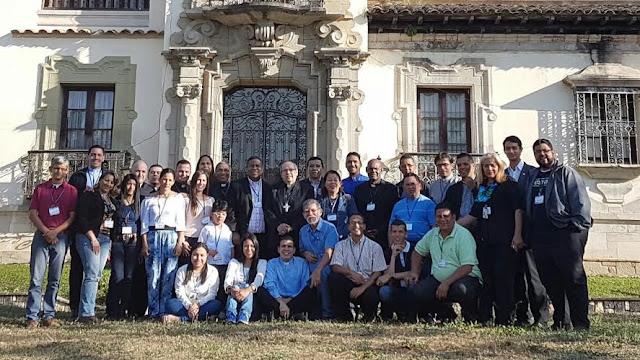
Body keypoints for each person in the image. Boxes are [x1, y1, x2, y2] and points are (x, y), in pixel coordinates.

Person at [524, 139, 592, 331]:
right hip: (540, 236)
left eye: (545, 151)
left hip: (565, 233)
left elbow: (580, 201)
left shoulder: (565, 173)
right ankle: (561, 321)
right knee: (550, 280)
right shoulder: (533, 176)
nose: (542, 155)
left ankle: (581, 323)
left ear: (553, 152)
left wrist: (577, 225)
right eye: (537, 152)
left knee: (573, 278)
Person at [458, 153, 524, 326]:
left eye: (493, 165)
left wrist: (517, 235)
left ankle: (505, 319)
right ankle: (486, 317)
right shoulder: (483, 188)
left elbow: (518, 211)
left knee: (504, 280)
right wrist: (449, 226)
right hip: (485, 241)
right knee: (487, 280)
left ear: (499, 166)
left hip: (505, 240)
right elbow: (473, 215)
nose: (489, 169)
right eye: (486, 166)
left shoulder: (509, 185)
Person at [407, 203, 483, 324]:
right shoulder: (432, 234)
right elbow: (417, 252)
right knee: (419, 291)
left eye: (446, 216)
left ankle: (470, 316)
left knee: (461, 290)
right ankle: (445, 314)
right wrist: (414, 271)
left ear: (454, 217)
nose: (442, 219)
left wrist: (446, 283)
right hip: (438, 278)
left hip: (465, 278)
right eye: (439, 216)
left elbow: (467, 267)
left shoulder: (463, 235)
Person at [25, 156, 78, 329]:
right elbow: (33, 213)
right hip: (41, 235)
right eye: (56, 168)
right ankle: (32, 316)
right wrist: (46, 231)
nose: (59, 171)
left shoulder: (71, 191)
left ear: (67, 171)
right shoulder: (40, 189)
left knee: (54, 278)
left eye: (62, 168)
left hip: (61, 237)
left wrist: (56, 231)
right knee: (36, 277)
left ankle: (49, 314)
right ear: (51, 169)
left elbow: (72, 217)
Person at [503, 135, 550, 327]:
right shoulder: (502, 173)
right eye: (507, 148)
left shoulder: (532, 172)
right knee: (515, 277)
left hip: (530, 232)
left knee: (533, 277)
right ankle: (522, 316)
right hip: (507, 233)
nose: (511, 151)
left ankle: (541, 317)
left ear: (521, 150)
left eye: (514, 148)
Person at [141, 168, 186, 319]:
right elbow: (144, 223)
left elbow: (181, 222)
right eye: (164, 179)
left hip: (171, 236)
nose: (166, 183)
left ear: (173, 182)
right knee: (153, 274)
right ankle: (153, 310)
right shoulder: (149, 199)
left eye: (170, 180)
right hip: (153, 236)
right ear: (159, 180)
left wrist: (180, 242)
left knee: (169, 274)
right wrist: (145, 243)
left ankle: (164, 310)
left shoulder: (178, 199)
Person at [75, 170, 118, 324]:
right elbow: (82, 217)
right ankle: (86, 313)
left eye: (111, 182)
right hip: (89, 237)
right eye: (106, 180)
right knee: (92, 273)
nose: (108, 184)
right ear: (100, 180)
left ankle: (87, 310)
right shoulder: (89, 195)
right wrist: (93, 238)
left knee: (97, 274)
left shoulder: (112, 199)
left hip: (105, 240)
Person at [329, 213, 387, 322]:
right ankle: (344, 316)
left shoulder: (374, 246)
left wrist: (362, 288)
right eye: (353, 223)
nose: (356, 226)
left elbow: (378, 272)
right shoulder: (340, 245)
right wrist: (351, 273)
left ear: (364, 226)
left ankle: (369, 316)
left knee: (372, 294)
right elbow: (335, 266)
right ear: (348, 226)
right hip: (349, 282)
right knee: (334, 279)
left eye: (359, 223)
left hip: (367, 283)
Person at [256, 236, 316, 320]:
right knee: (260, 291)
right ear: (278, 249)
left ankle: (278, 314)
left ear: (294, 250)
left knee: (310, 290)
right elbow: (270, 284)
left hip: (295, 299)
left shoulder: (302, 263)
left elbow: (304, 285)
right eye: (283, 246)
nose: (286, 249)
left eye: (289, 246)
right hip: (276, 300)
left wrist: (289, 300)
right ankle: (291, 314)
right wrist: (281, 301)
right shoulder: (271, 263)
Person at [106, 174, 140, 320]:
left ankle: (124, 309)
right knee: (117, 275)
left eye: (133, 184)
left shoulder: (139, 204)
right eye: (128, 184)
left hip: (132, 244)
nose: (131, 187)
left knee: (129, 277)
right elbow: (110, 222)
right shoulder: (116, 202)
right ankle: (112, 309)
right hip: (118, 242)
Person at [299, 199, 339, 320]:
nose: (310, 214)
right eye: (306, 211)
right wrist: (305, 253)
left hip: (326, 265)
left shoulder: (329, 228)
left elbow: (329, 252)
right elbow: (301, 249)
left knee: (323, 275)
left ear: (320, 212)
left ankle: (327, 313)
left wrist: (318, 271)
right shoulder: (302, 230)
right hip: (308, 265)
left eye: (313, 210)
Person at [232, 156, 277, 259]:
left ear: (262, 169)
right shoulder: (237, 186)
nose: (254, 168)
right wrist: (234, 231)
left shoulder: (269, 188)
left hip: (264, 235)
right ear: (246, 168)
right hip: (244, 234)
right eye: (251, 166)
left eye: (257, 166)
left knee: (261, 262)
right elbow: (232, 210)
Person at [163, 243, 221, 323]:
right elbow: (179, 292)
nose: (198, 258)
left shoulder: (212, 271)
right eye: (195, 255)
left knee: (216, 304)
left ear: (207, 256)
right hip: (185, 305)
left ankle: (180, 319)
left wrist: (198, 305)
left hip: (203, 305)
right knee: (170, 304)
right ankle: (202, 318)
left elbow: (212, 294)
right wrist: (189, 306)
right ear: (191, 255)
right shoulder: (182, 270)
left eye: (202, 255)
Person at [353, 159, 399, 247]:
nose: (373, 171)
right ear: (366, 170)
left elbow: (392, 213)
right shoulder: (359, 189)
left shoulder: (391, 189)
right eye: (370, 169)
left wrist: (380, 230)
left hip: (383, 234)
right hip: (364, 233)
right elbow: (357, 211)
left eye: (376, 169)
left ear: (381, 170)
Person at [271, 161, 314, 253]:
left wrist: (292, 227)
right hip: (277, 234)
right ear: (281, 174)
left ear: (297, 172)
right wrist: (278, 225)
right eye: (285, 170)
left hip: (297, 233)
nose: (288, 173)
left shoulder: (306, 189)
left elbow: (308, 211)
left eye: (291, 170)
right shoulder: (273, 189)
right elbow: (268, 210)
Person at [224, 233, 267, 324]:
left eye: (252, 246)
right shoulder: (234, 262)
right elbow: (229, 278)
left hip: (251, 296)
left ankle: (244, 315)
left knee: (248, 286)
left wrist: (247, 290)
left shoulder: (262, 262)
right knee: (235, 287)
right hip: (235, 292)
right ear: (241, 247)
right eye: (246, 246)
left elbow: (259, 280)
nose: (249, 249)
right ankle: (231, 315)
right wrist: (231, 289)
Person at [198, 200, 234, 306]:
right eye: (217, 213)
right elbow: (200, 245)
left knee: (223, 286)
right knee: (210, 285)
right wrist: (208, 252)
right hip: (210, 263)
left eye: (223, 214)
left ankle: (221, 308)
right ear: (212, 214)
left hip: (224, 263)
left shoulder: (227, 229)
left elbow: (231, 247)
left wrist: (232, 261)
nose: (220, 217)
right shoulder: (206, 229)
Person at [376, 220, 413, 322]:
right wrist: (393, 256)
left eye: (400, 232)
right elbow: (386, 277)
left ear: (406, 234)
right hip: (396, 288)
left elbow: (414, 272)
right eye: (394, 232)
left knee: (412, 282)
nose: (397, 235)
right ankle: (390, 315)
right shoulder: (387, 252)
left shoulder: (414, 249)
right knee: (384, 291)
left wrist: (392, 276)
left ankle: (411, 315)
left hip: (411, 287)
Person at [129, 160, 152, 319]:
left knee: (143, 274)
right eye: (138, 171)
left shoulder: (150, 192)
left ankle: (140, 309)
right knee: (127, 274)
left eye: (143, 172)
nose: (140, 175)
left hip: (144, 238)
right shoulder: (126, 189)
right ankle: (127, 308)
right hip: (128, 239)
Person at [389, 173, 436, 245]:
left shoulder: (429, 204)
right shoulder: (398, 206)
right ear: (404, 188)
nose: (410, 187)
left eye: (413, 184)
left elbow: (434, 227)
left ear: (420, 186)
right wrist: (391, 246)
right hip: (401, 245)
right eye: (407, 185)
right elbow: (390, 228)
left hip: (423, 246)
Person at [179, 170, 213, 268]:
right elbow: (180, 220)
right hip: (187, 239)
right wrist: (182, 241)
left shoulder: (211, 200)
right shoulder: (185, 199)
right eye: (198, 180)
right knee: (186, 268)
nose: (201, 183)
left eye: (203, 180)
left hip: (203, 239)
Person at [67, 171, 86, 320]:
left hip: (88, 235)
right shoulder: (81, 176)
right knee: (78, 270)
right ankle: (76, 306)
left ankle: (81, 307)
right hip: (77, 234)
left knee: (86, 272)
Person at [318, 170, 357, 240]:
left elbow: (353, 217)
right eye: (329, 180)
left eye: (335, 180)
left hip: (344, 237)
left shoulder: (348, 199)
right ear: (325, 184)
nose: (333, 182)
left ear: (340, 183)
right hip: (325, 238)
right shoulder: (320, 201)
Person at [443, 153, 478, 218]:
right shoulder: (453, 189)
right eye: (459, 165)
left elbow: (484, 205)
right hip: (458, 225)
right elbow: (446, 208)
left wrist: (474, 189)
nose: (462, 167)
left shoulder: (483, 185)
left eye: (465, 164)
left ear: (473, 165)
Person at [209, 161, 237, 232]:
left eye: (226, 170)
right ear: (215, 172)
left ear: (230, 173)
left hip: (230, 227)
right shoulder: (210, 189)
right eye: (220, 170)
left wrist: (234, 230)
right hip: (212, 227)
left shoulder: (235, 188)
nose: (223, 173)